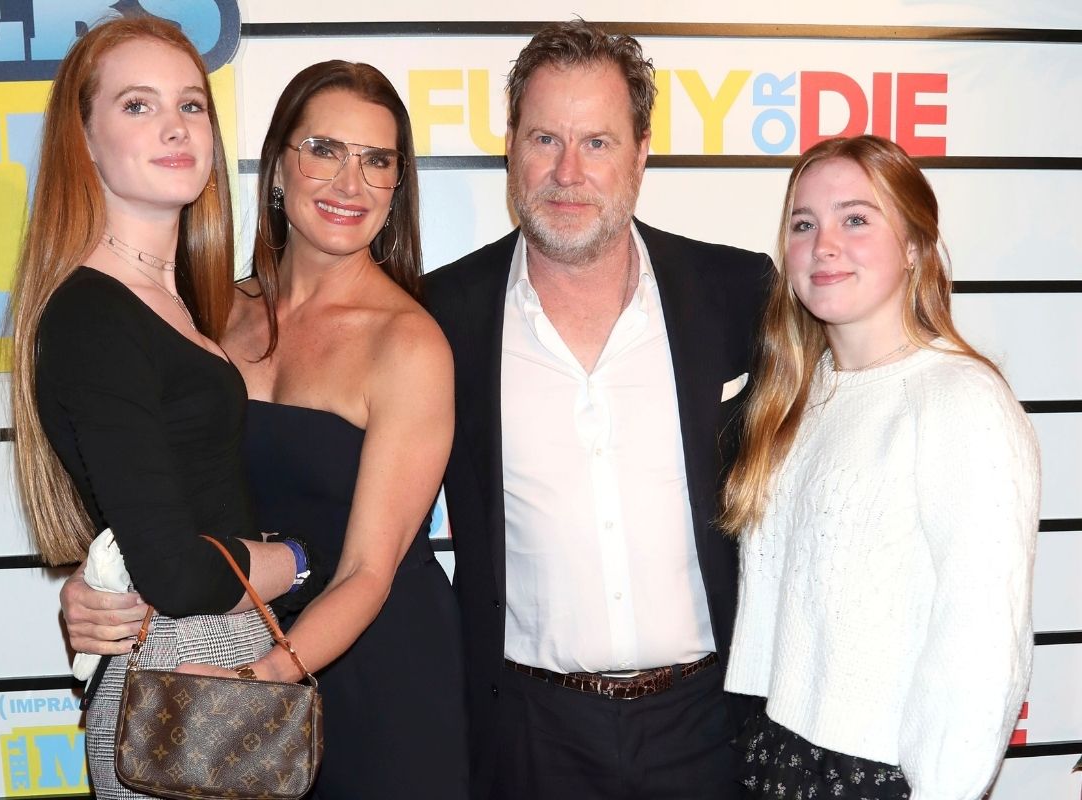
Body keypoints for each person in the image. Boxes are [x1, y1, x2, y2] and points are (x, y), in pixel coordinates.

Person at [59, 60, 469, 799]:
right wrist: (100, 587)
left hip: (372, 676)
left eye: (377, 161)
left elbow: (368, 571)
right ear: (279, 165)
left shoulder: (408, 345)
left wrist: (256, 685)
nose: (350, 184)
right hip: (225, 644)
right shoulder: (205, 314)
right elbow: (160, 504)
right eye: (324, 150)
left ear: (397, 187)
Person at [423, 20, 771, 800]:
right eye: (545, 138)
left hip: (711, 725)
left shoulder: (736, 293)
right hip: (528, 735)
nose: (567, 172)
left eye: (599, 143)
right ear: (510, 144)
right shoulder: (441, 313)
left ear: (642, 153)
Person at [6, 16, 304, 799]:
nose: (175, 125)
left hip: (217, 661)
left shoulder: (174, 306)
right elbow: (173, 569)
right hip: (180, 670)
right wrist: (298, 561)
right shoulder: (95, 315)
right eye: (137, 106)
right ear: (86, 140)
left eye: (191, 105)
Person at [720, 135, 1040, 800]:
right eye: (803, 224)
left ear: (916, 247)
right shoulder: (799, 397)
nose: (823, 244)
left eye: (856, 219)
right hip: (774, 752)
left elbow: (983, 643)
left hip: (877, 775)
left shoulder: (959, 400)